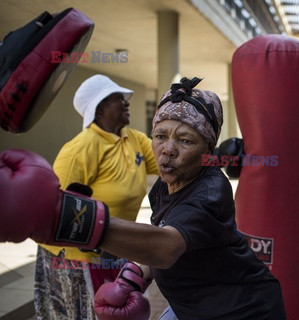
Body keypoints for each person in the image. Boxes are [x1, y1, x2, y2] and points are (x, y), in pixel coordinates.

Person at [91, 76, 286, 320]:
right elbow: (160, 233)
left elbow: (166, 247)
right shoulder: (165, 186)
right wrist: (131, 277)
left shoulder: (211, 193)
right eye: (160, 136)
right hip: (194, 307)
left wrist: (86, 225)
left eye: (185, 140)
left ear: (207, 148)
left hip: (245, 311)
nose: (168, 149)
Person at [33, 74, 158, 319]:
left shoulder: (133, 139)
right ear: (100, 108)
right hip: (77, 258)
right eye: (117, 98)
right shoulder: (82, 147)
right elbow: (55, 206)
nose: (126, 102)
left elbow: (165, 163)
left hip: (116, 246)